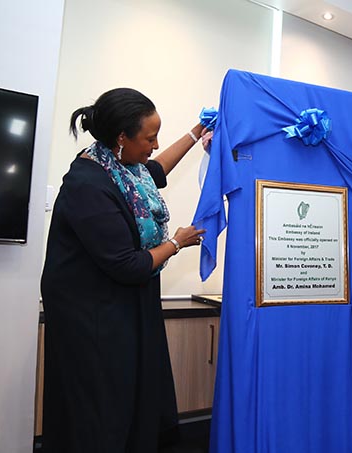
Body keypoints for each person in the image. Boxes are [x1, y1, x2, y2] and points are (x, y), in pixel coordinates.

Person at [41, 88, 208, 453]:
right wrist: (177, 242)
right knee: (102, 399)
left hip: (120, 302)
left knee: (132, 391)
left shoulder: (121, 168)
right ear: (122, 138)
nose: (155, 143)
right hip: (91, 313)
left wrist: (196, 132)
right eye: (149, 137)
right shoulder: (87, 183)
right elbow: (127, 265)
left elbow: (156, 169)